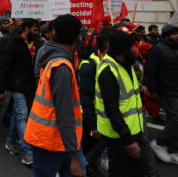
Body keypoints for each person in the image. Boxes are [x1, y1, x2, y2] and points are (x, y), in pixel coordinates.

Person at [24, 14, 85, 177]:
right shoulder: (62, 66)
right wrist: (73, 156)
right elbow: (64, 113)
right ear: (77, 38)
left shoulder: (52, 58)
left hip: (52, 138)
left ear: (54, 33)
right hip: (53, 141)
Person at [95, 30, 158, 176]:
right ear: (123, 49)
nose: (135, 49)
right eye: (131, 46)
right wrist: (128, 140)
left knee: (138, 171)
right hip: (119, 136)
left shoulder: (126, 65)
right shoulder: (108, 70)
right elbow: (111, 109)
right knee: (120, 172)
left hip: (134, 129)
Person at [144, 24, 178, 166]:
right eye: (174, 34)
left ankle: (172, 150)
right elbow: (150, 71)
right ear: (167, 36)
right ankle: (159, 142)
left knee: (173, 120)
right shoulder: (158, 49)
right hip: (166, 91)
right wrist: (153, 91)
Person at [0, 18, 39, 163]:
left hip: (31, 85)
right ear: (26, 29)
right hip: (17, 85)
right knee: (23, 115)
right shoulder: (13, 44)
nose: (37, 32)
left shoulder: (38, 43)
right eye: (34, 29)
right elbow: (4, 67)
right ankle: (27, 152)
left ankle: (11, 141)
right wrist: (1, 89)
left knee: (16, 114)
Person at [77, 30, 111, 177]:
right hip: (92, 118)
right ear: (105, 46)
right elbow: (86, 99)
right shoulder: (89, 65)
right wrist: (93, 126)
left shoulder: (115, 62)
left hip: (108, 117)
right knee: (86, 148)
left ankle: (88, 164)